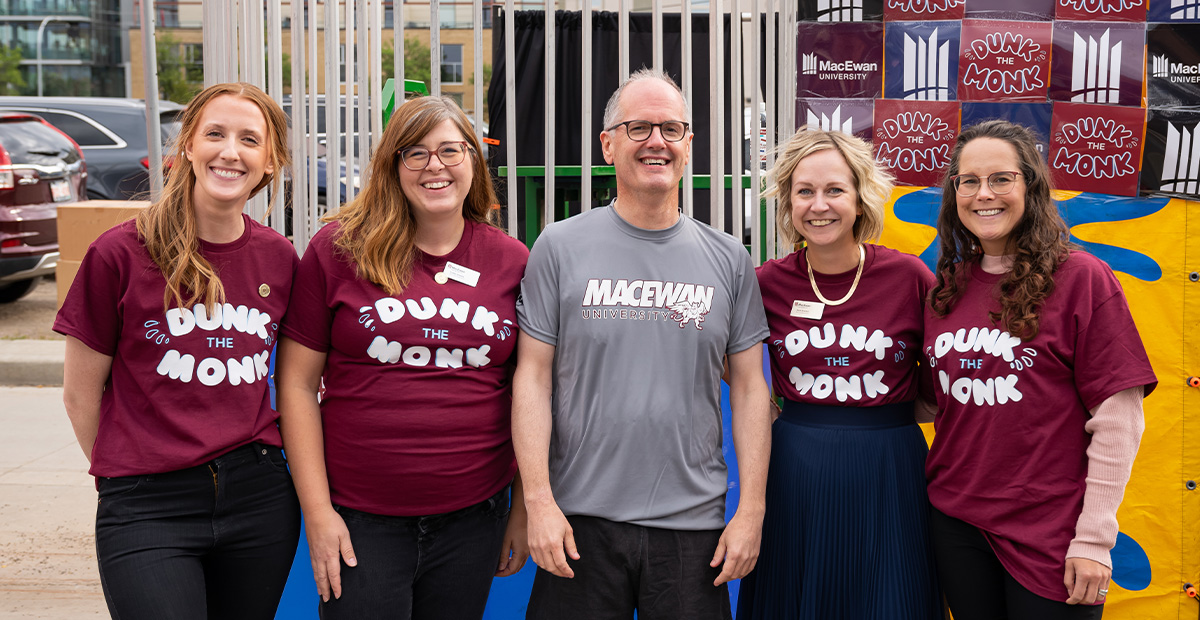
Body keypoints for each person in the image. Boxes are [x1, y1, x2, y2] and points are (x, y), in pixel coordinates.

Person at [512, 67, 773, 620]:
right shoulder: (559, 246)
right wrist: (537, 501)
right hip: (578, 524)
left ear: (688, 145)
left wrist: (750, 508)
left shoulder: (729, 259)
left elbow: (751, 388)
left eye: (671, 129)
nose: (656, 141)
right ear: (607, 144)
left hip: (693, 532)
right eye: (638, 128)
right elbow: (531, 377)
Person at [275, 95, 530, 620]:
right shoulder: (338, 250)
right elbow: (297, 385)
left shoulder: (512, 260)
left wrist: (523, 509)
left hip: (474, 516)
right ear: (392, 166)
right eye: (414, 152)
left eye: (450, 151)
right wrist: (318, 514)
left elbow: (533, 391)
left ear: (473, 162)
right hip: (361, 520)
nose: (434, 166)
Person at [54, 82, 299, 620]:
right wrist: (132, 467)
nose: (230, 151)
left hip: (258, 497)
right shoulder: (119, 253)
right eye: (215, 134)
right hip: (147, 503)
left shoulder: (279, 258)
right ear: (187, 145)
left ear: (270, 161)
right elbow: (79, 396)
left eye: (249, 140)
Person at [923, 120, 1157, 619]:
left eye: (1001, 179)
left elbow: (1119, 416)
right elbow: (929, 399)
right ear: (954, 194)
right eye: (969, 181)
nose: (984, 194)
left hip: (1052, 533)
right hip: (956, 521)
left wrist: (1094, 538)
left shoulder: (1081, 278)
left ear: (1030, 186)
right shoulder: (947, 288)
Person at [736, 128, 943, 619]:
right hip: (794, 470)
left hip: (890, 469)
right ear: (787, 201)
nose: (819, 205)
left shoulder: (909, 277)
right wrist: (769, 407)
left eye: (834, 190)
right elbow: (731, 364)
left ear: (860, 197)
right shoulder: (766, 281)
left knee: (891, 597)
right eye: (804, 191)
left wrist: (891, 412)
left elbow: (941, 373)